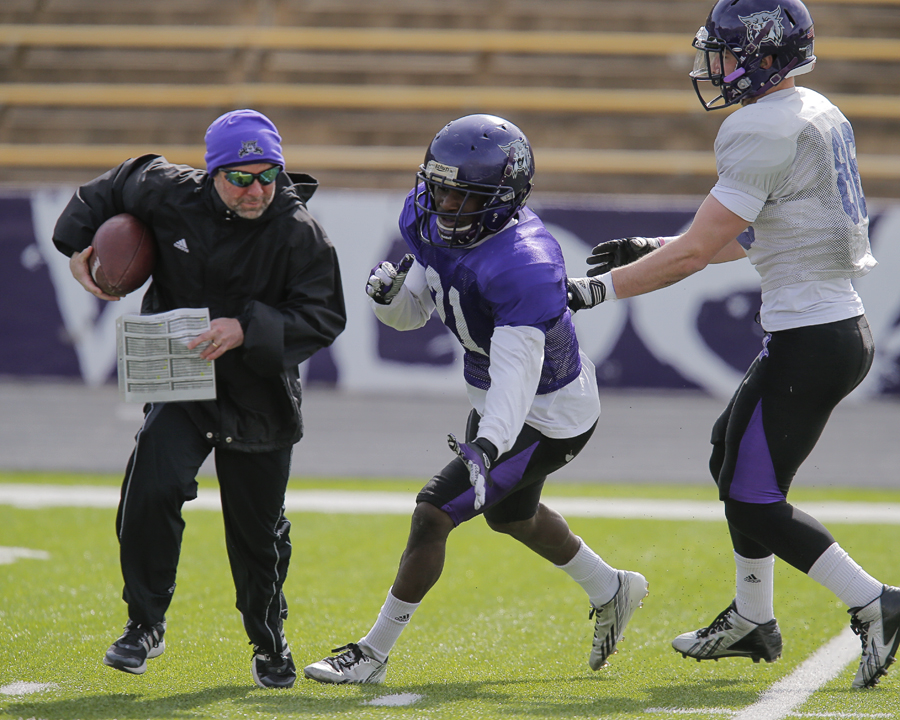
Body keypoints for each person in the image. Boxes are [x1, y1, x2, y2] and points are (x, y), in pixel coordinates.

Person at [566, 0, 898, 690]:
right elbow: (750, 234)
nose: (711, 65)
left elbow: (695, 255)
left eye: (724, 51)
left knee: (752, 498)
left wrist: (596, 292)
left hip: (813, 336)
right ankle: (753, 619)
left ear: (764, 54)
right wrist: (653, 247)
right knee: (729, 451)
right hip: (828, 328)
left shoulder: (762, 125)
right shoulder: (813, 110)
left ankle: (876, 602)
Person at [301, 114, 648, 685]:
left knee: (433, 511)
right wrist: (390, 300)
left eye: (461, 195)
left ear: (501, 200)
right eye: (438, 187)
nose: (443, 203)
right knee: (512, 516)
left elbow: (517, 376)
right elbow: (416, 310)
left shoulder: (525, 262)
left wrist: (487, 445)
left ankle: (372, 652)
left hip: (548, 414)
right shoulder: (430, 221)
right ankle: (612, 587)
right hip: (499, 404)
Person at [52, 108, 347, 689]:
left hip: (258, 392)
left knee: (257, 536)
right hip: (179, 375)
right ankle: (144, 625)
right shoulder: (165, 189)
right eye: (240, 177)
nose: (256, 188)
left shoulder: (301, 231)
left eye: (268, 175)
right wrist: (76, 246)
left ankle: (269, 640)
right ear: (213, 172)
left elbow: (324, 317)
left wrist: (246, 328)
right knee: (149, 491)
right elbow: (110, 185)